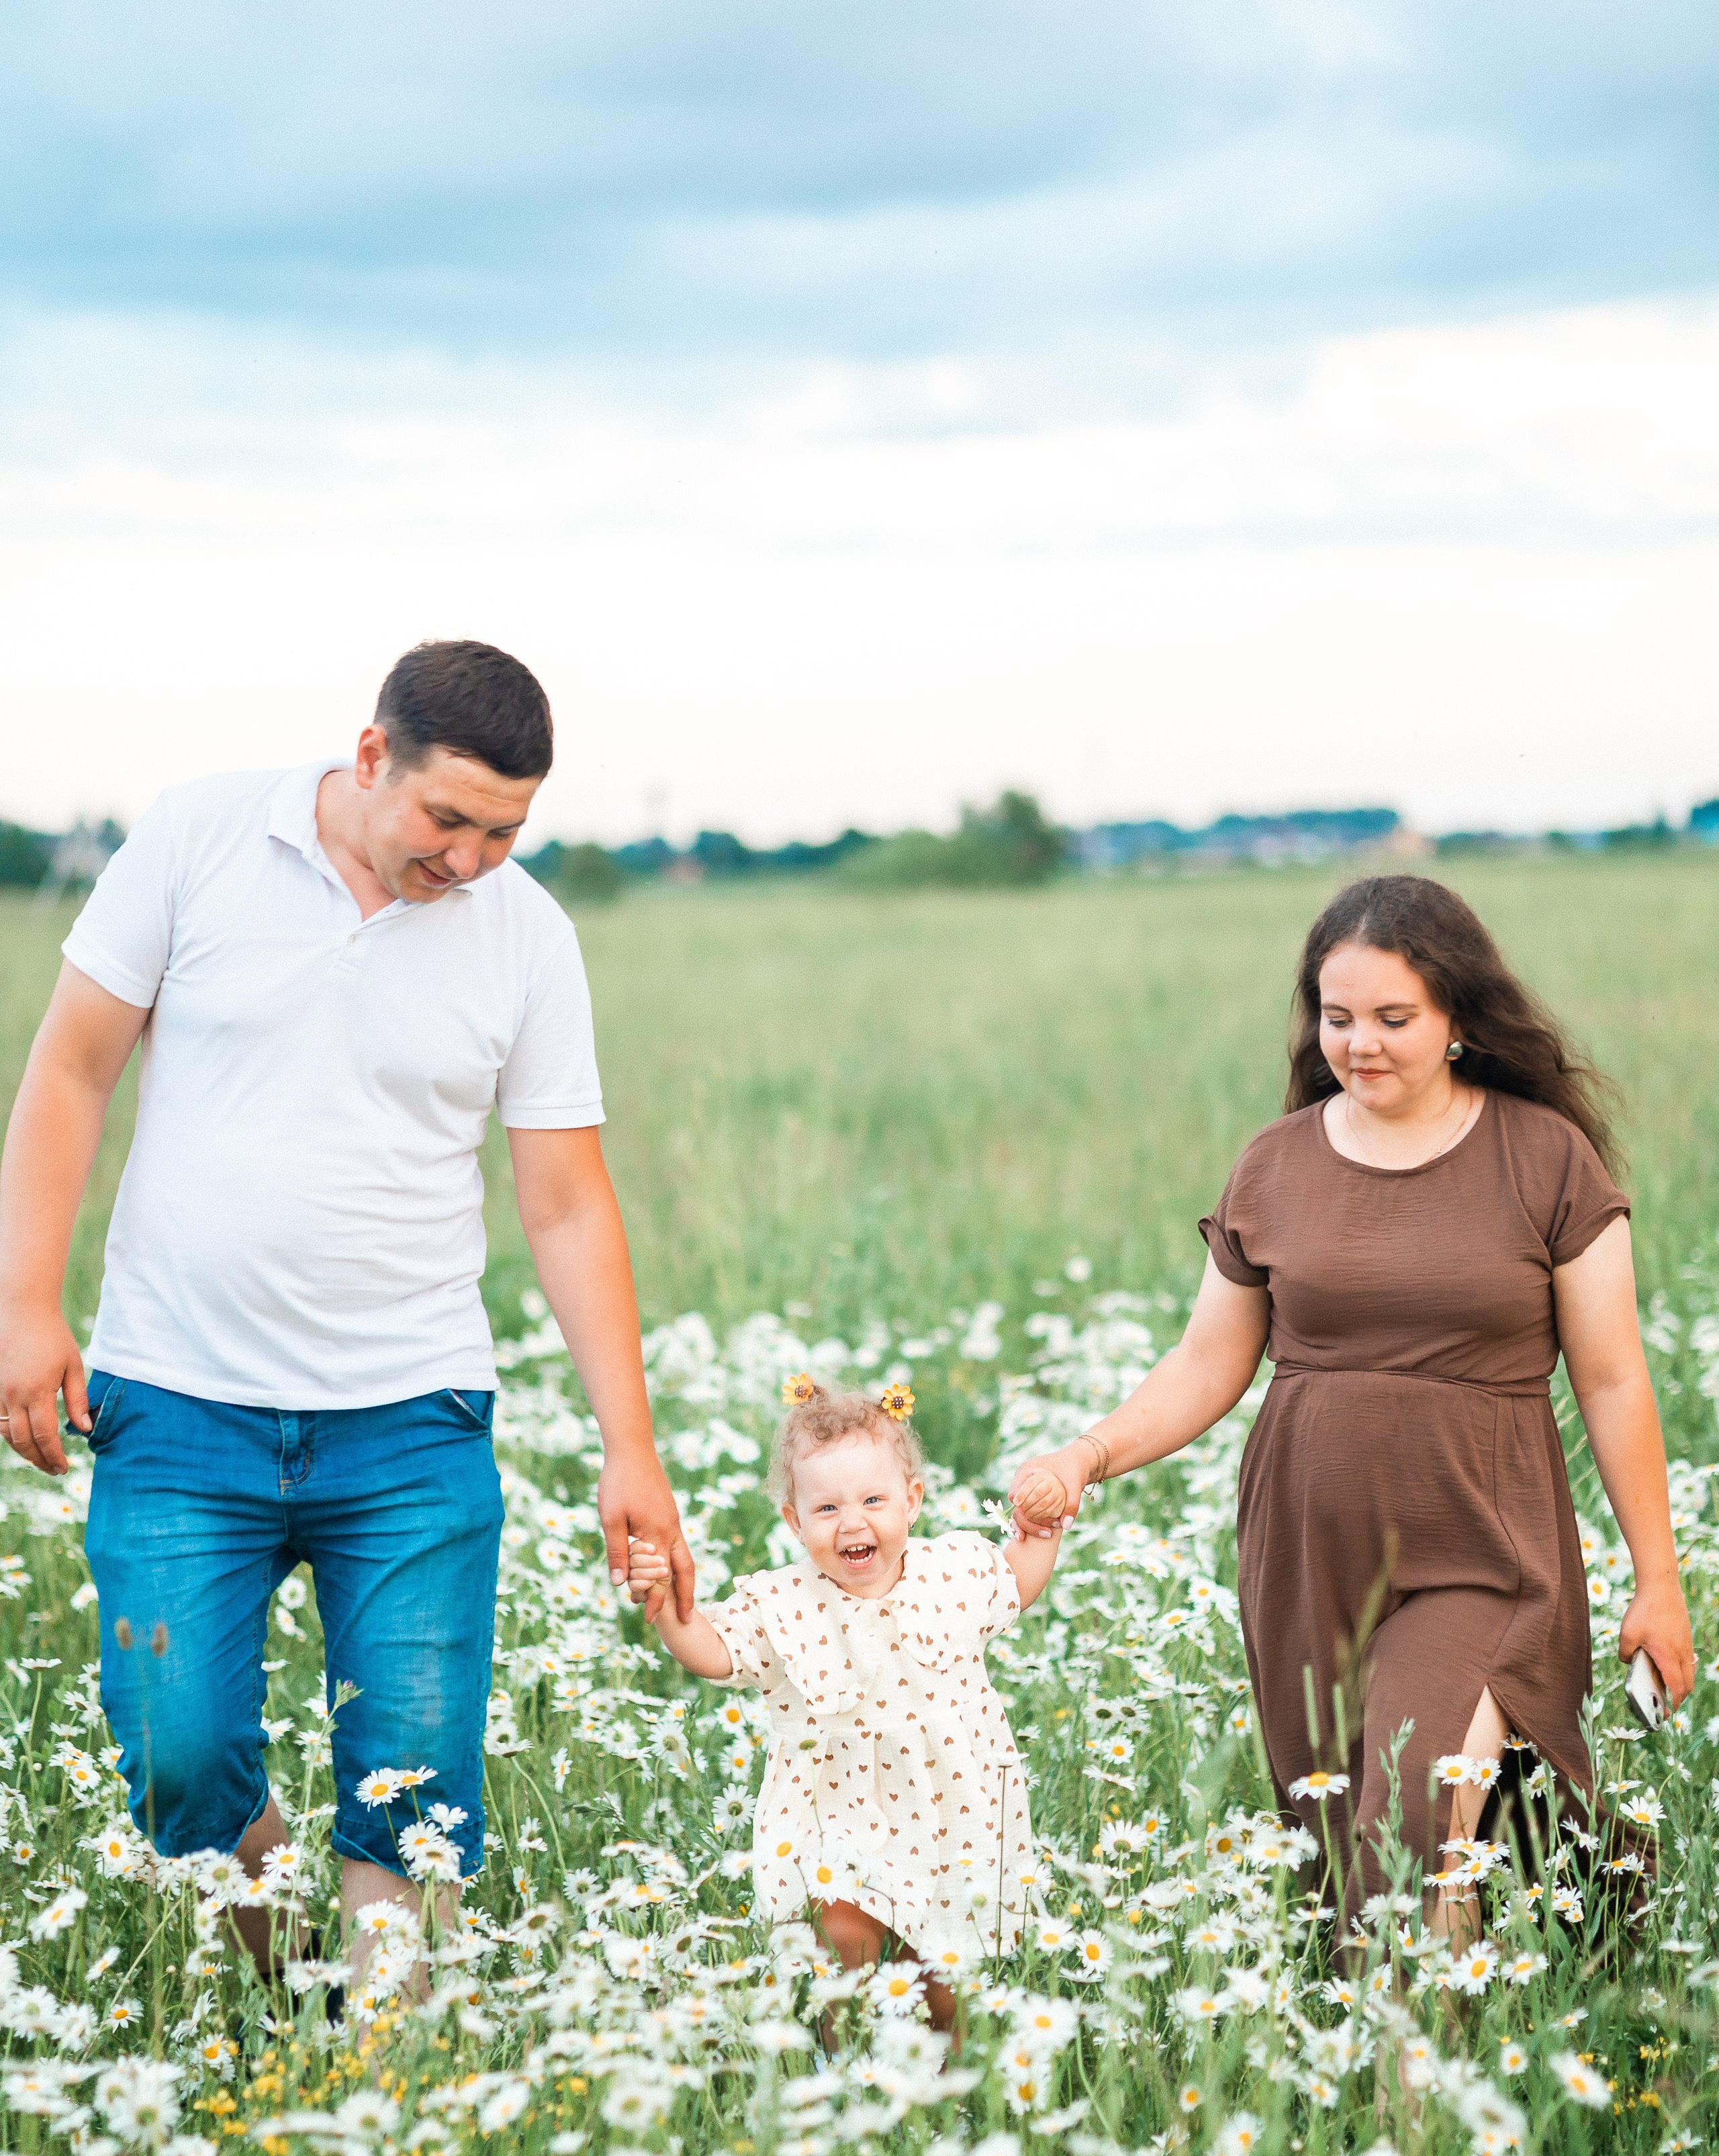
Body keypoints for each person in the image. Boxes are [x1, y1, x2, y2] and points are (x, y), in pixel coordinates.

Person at [0, 639, 692, 1999]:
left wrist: (633, 1445)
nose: (474, 860)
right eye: (449, 821)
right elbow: (72, 1070)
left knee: (418, 1786)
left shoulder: (528, 937)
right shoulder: (200, 838)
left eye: (506, 831)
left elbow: (563, 1203)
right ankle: (294, 1982)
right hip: (177, 1403)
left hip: (412, 1422)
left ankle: (390, 2084)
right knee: (175, 1753)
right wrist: (24, 1302)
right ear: (370, 756)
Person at [1011, 872, 1694, 1936]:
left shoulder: (1546, 1160)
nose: (1359, 1043)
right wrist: (1088, 1456)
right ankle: (1512, 1978)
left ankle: (1416, 2090)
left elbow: (1611, 1380)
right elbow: (1206, 1362)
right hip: (1307, 1551)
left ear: (1460, 1019)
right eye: (1337, 1018)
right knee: (1347, 1844)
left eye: (1393, 1019)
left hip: (1483, 1545)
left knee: (1410, 1809)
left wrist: (1659, 1580)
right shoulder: (1275, 1166)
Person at [625, 1376, 1061, 2028]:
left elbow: (1017, 1583)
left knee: (940, 1971)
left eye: (873, 1500)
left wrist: (1041, 1530)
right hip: (836, 1817)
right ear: (794, 1522)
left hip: (947, 1814)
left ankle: (950, 2089)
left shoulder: (955, 1574)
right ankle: (845, 2067)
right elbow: (716, 1653)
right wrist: (666, 1610)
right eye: (826, 1510)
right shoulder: (783, 1603)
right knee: (844, 1946)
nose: (852, 1522)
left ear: (912, 1501)